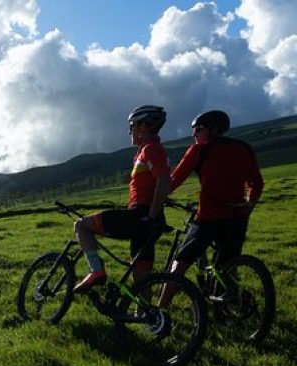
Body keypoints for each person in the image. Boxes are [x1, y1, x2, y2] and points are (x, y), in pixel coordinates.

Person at [72, 105, 170, 293]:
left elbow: (164, 182)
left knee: (81, 226)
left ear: (144, 127)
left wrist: (149, 216)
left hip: (141, 217)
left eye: (132, 126)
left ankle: (96, 271)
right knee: (142, 279)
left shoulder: (150, 149)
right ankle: (148, 319)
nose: (129, 131)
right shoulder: (150, 150)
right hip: (150, 219)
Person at [166, 110, 263, 279]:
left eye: (198, 129)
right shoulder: (244, 148)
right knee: (227, 266)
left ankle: (161, 305)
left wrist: (155, 199)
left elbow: (173, 181)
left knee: (180, 263)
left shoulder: (199, 150)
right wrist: (248, 207)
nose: (193, 134)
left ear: (214, 129)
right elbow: (257, 183)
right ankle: (232, 301)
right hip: (237, 217)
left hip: (209, 217)